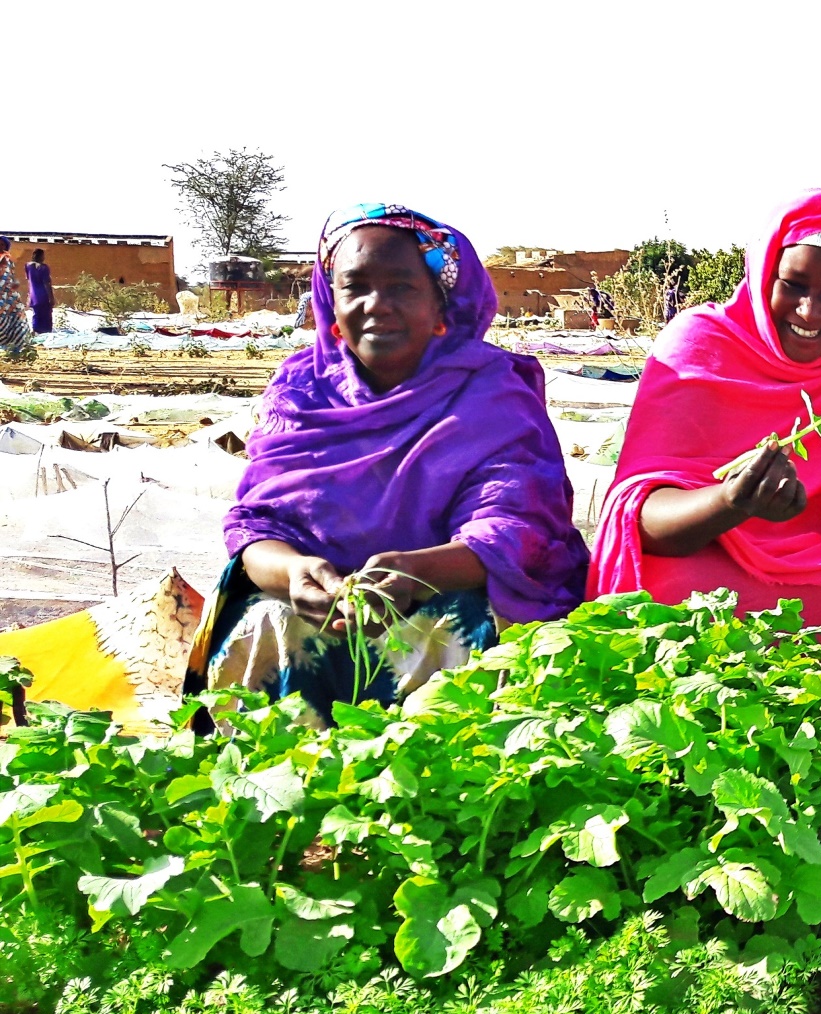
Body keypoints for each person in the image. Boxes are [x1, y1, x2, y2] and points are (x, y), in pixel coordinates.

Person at [189, 203, 588, 723]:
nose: (377, 306)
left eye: (402, 287)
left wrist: (417, 571)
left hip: (449, 597)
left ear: (442, 305)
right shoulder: (299, 392)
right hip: (325, 606)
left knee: (455, 631)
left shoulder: (492, 396)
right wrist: (293, 573)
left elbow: (515, 528)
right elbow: (255, 526)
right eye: (355, 287)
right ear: (331, 302)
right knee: (267, 621)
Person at [590, 191, 821, 722]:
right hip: (714, 558)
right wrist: (731, 502)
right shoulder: (700, 343)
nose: (809, 311)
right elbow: (643, 520)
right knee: (668, 586)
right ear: (764, 272)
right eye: (792, 285)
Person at [0, 237, 29, 350]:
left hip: (9, 296)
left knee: (16, 316)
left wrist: (15, 283)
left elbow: (10, 276)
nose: (0, 246)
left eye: (2, 244)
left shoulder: (8, 261)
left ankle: (16, 345)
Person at [25, 249, 54, 335]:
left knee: (36, 314)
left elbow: (29, 280)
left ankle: (35, 331)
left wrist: (29, 295)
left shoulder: (28, 266)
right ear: (41, 256)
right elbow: (46, 283)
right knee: (46, 315)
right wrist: (51, 297)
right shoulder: (44, 267)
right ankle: (45, 333)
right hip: (44, 295)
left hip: (34, 295)